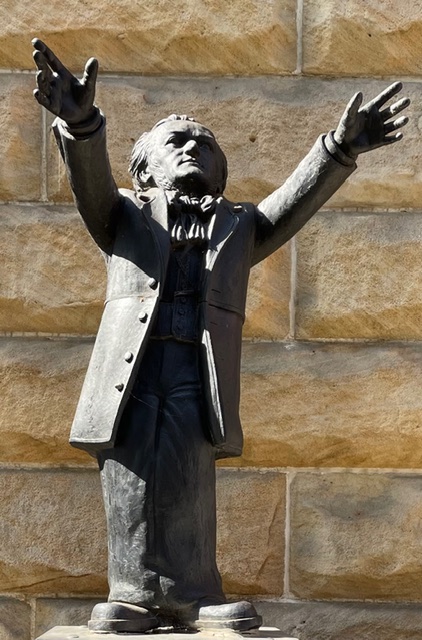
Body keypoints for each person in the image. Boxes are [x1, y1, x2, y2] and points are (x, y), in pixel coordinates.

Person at [32, 38, 409, 634]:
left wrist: (338, 149)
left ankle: (193, 595)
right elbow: (91, 183)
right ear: (145, 168)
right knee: (130, 475)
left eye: (205, 145)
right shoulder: (123, 214)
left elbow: (292, 204)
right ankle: (131, 593)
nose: (193, 148)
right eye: (177, 142)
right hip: (129, 370)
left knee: (189, 477)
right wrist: (82, 126)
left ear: (220, 170)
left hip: (197, 368)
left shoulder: (239, 225)